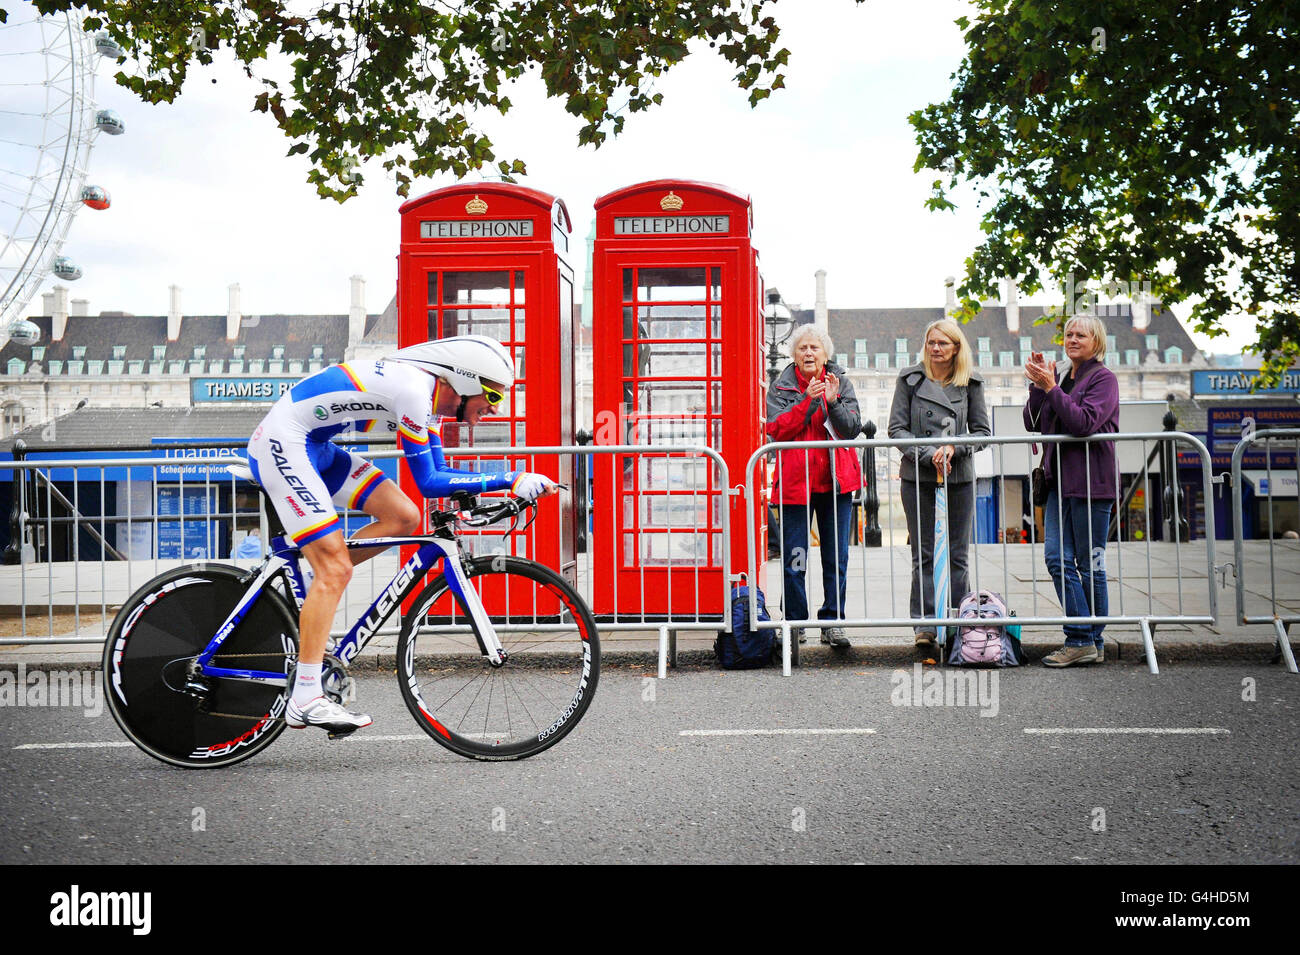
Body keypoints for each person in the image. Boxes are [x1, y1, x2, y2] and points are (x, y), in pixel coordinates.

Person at [247, 335, 557, 732]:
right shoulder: (414, 391)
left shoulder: (425, 400)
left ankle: (311, 579)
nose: (494, 410)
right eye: (492, 398)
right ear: (463, 382)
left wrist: (495, 488)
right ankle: (306, 698)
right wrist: (510, 478)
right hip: (284, 444)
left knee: (404, 516)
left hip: (315, 446)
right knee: (337, 570)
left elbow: (440, 479)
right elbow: (428, 480)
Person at [889, 319, 989, 658]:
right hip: (918, 477)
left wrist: (955, 448)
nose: (935, 348)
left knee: (959, 555)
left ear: (956, 348)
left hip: (959, 476)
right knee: (924, 554)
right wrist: (928, 452)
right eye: (931, 342)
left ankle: (964, 621)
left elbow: (982, 433)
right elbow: (897, 430)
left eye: (943, 343)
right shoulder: (910, 380)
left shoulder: (970, 383)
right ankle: (925, 624)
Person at [1023, 316, 1120, 667]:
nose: (1073, 339)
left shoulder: (1103, 379)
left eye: (1082, 334)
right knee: (1056, 559)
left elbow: (1082, 424)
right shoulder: (1061, 376)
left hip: (1092, 484)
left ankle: (1087, 639)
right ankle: (1085, 638)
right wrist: (1038, 384)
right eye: (1069, 334)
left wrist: (1051, 388)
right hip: (1057, 484)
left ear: (1097, 341)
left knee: (1090, 564)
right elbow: (1033, 423)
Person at [766, 325, 863, 647]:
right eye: (803, 348)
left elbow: (850, 429)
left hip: (836, 483)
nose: (809, 353)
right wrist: (808, 402)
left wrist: (833, 402)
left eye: (814, 348)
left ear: (825, 354)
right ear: (794, 355)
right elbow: (776, 429)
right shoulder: (781, 387)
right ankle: (795, 622)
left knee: (836, 558)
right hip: (796, 486)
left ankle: (833, 621)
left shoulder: (841, 383)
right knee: (795, 558)